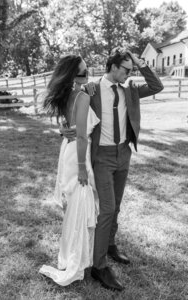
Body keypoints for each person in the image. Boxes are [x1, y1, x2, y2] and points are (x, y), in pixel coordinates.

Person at [61, 49, 164, 291]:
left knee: (115, 205)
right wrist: (63, 130)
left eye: (132, 70)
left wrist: (141, 64)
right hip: (102, 157)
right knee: (106, 209)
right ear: (114, 66)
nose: (130, 74)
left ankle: (110, 244)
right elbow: (70, 112)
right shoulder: (91, 89)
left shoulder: (131, 90)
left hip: (123, 153)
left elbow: (157, 86)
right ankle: (98, 266)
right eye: (126, 69)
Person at [39, 55, 100, 286]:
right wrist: (83, 168)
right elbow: (82, 135)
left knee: (75, 205)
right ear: (73, 76)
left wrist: (64, 131)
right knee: (79, 205)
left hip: (68, 150)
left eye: (87, 71)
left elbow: (66, 126)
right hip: (78, 154)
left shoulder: (67, 96)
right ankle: (76, 259)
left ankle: (73, 255)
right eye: (83, 73)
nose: (87, 76)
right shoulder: (81, 97)